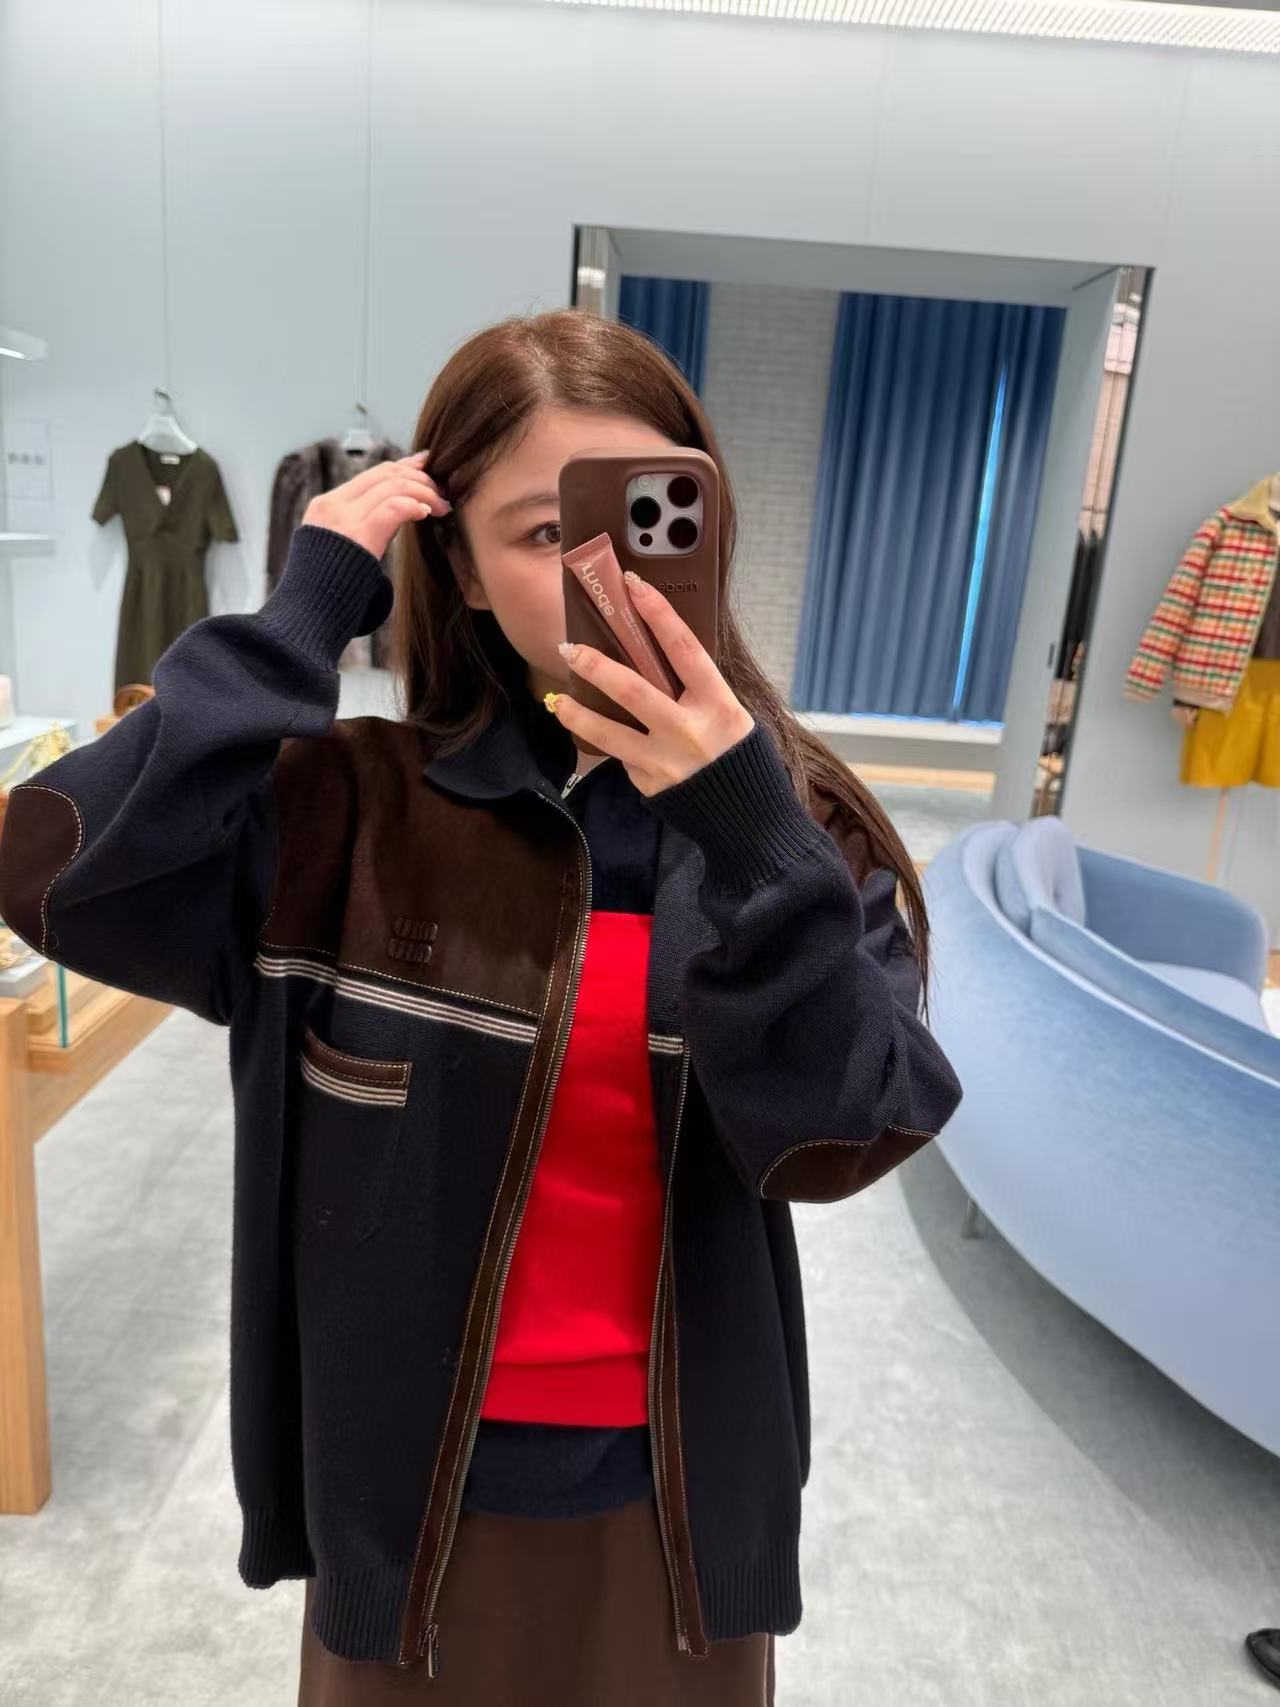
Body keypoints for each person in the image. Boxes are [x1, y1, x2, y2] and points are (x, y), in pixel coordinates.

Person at [0, 309, 964, 1705]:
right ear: (454, 567)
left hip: (676, 1500)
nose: (604, 579)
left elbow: (850, 1133)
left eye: (645, 520)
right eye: (542, 533)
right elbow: (52, 875)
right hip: (403, 1510)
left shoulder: (794, 834)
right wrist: (299, 619)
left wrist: (749, 832)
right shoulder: (343, 817)